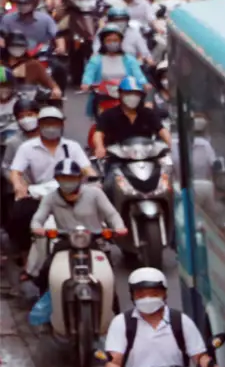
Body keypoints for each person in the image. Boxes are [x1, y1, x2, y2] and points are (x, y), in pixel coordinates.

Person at [9, 106, 93, 261]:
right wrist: (18, 185)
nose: (51, 127)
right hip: (40, 194)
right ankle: (26, 254)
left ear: (62, 125)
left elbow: (86, 168)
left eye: (54, 123)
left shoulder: (72, 146)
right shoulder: (27, 147)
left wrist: (94, 179)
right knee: (19, 214)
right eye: (46, 123)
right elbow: (15, 172)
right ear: (39, 125)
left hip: (70, 192)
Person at [28, 157, 121, 280]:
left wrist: (119, 227)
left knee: (108, 277)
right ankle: (47, 297)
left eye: (71, 178)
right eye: (63, 178)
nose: (67, 181)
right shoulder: (50, 198)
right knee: (46, 272)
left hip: (95, 241)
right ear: (57, 179)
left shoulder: (95, 194)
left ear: (80, 178)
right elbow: (38, 219)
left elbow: (112, 214)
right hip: (65, 242)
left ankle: (112, 299)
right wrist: (37, 228)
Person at [82, 22, 148, 116]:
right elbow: (89, 73)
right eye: (109, 40)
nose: (112, 43)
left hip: (126, 96)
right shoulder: (96, 60)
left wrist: (144, 83)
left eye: (115, 40)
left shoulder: (129, 59)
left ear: (121, 41)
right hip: (102, 96)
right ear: (103, 42)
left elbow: (138, 74)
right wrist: (86, 83)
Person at [92, 75, 166, 155]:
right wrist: (99, 147)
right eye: (128, 93)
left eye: (136, 94)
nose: (133, 96)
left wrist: (170, 145)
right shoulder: (108, 114)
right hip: (117, 158)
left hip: (145, 156)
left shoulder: (148, 113)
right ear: (120, 94)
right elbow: (99, 133)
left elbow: (162, 130)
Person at [3, 30, 59, 97]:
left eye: (20, 46)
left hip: (27, 103)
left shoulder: (34, 65)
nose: (17, 49)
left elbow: (50, 82)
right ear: (7, 47)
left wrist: (55, 90)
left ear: (25, 47)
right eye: (14, 46)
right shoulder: (2, 64)